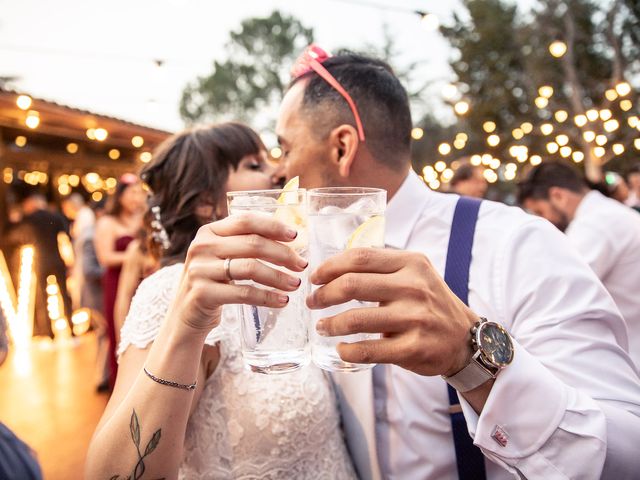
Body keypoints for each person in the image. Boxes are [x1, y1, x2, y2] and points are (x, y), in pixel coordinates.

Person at [276, 46, 640, 479]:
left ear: (341, 147)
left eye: (284, 148)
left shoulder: (517, 244)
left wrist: (473, 361)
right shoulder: (302, 260)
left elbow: (627, 455)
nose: (280, 171)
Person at [85, 122, 357, 479]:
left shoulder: (286, 274)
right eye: (254, 165)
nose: (278, 172)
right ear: (206, 202)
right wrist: (187, 323)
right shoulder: (175, 291)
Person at [517, 161, 640, 370]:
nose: (542, 221)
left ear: (558, 196)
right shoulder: (605, 212)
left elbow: (554, 294)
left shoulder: (594, 225)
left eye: (540, 211)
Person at [94, 174, 146, 388]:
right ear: (120, 196)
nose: (137, 198)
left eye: (140, 193)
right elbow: (105, 257)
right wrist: (138, 257)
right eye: (132, 192)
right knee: (120, 331)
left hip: (142, 281)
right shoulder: (107, 222)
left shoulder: (142, 218)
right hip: (117, 282)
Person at [16, 190, 73, 338]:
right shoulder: (54, 216)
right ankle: (71, 328)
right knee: (64, 294)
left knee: (44, 297)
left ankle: (49, 331)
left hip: (41, 261)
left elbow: (22, 237)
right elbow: (65, 235)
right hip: (57, 258)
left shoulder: (29, 219)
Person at [61, 192, 95, 310]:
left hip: (84, 260)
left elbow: (85, 241)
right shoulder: (80, 217)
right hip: (80, 259)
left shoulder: (85, 215)